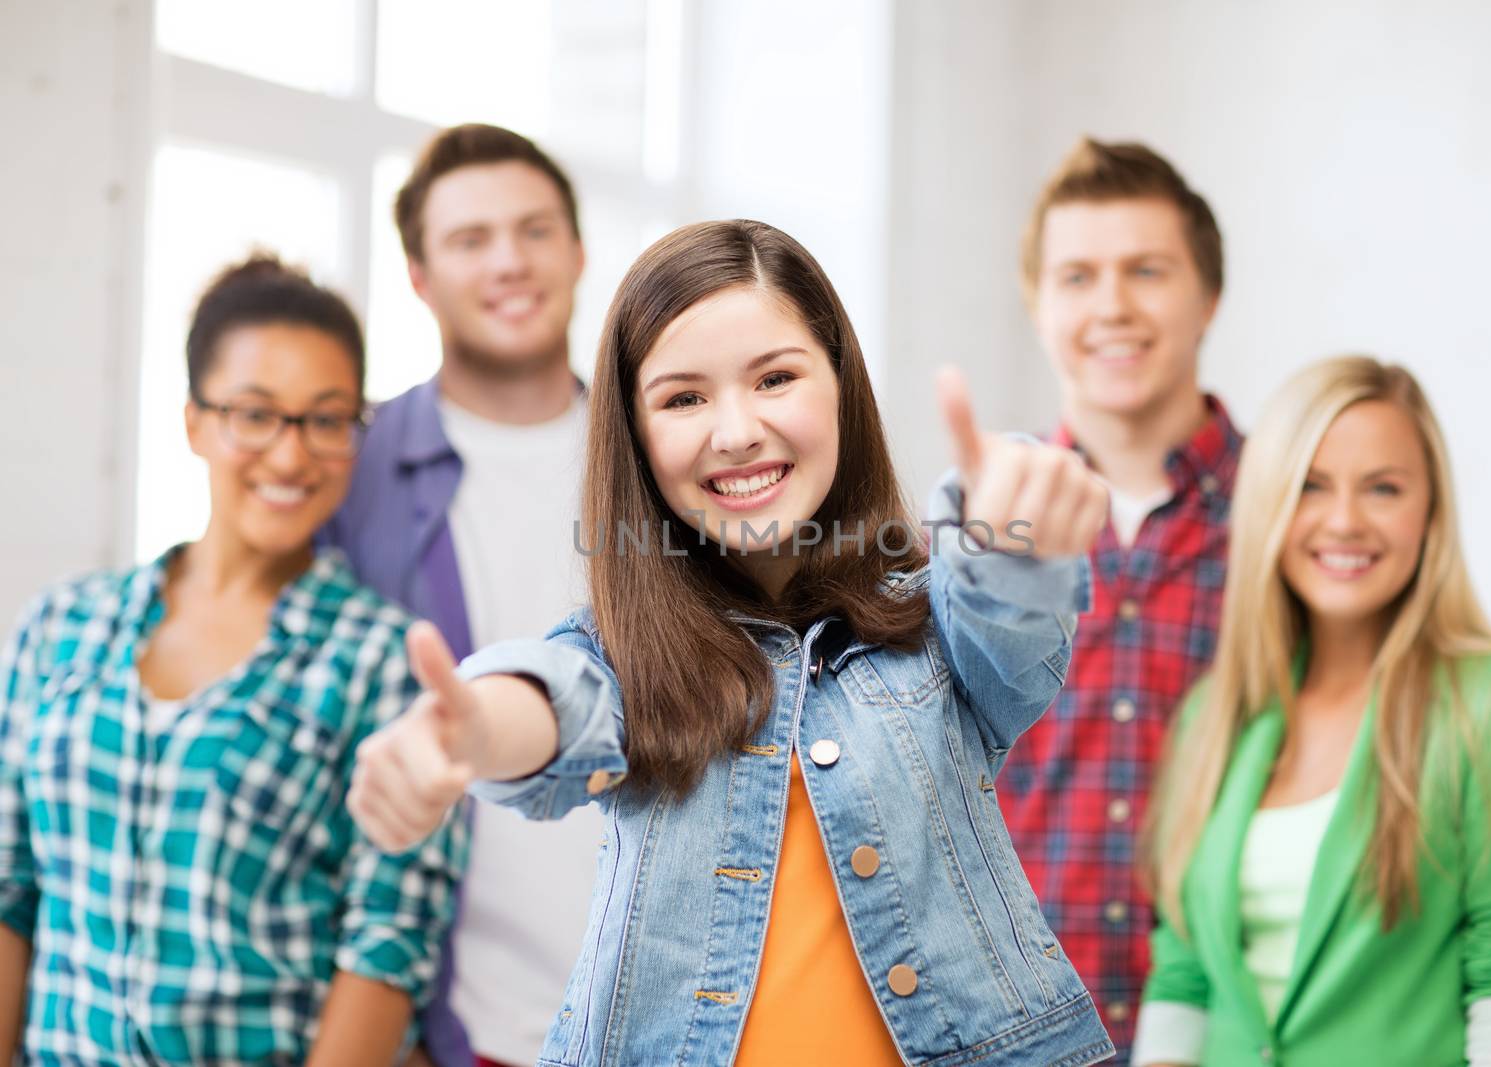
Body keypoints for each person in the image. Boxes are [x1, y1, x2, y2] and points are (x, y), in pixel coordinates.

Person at [346, 219, 1118, 1066]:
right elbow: (552, 701)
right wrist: (467, 733)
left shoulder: (933, 622)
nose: (737, 430)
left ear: (838, 385)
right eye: (684, 398)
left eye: (776, 378)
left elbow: (1010, 622)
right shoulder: (628, 656)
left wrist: (1015, 538)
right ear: (636, 439)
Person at [0, 254, 465, 1064]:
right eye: (255, 413)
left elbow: (387, 944)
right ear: (195, 421)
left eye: (326, 419)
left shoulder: (385, 662)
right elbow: (8, 890)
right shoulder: (61, 626)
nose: (290, 457)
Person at [1132, 357, 1491, 1067]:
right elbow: (1183, 971)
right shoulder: (1212, 717)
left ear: (1430, 510)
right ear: (1268, 504)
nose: (1344, 520)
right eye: (1311, 485)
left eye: (1383, 488)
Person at [320, 124, 597, 1067]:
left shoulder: (665, 456)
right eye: (471, 239)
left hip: (672, 1004)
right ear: (419, 276)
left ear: (578, 249)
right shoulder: (353, 473)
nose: (510, 262)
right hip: (455, 1023)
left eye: (534, 229)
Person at [996, 136, 1242, 1057]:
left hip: (1241, 1024)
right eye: (1078, 276)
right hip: (1017, 1029)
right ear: (1038, 303)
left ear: (1207, 296)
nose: (1113, 307)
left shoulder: (1298, 523)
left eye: (1147, 270)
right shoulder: (981, 526)